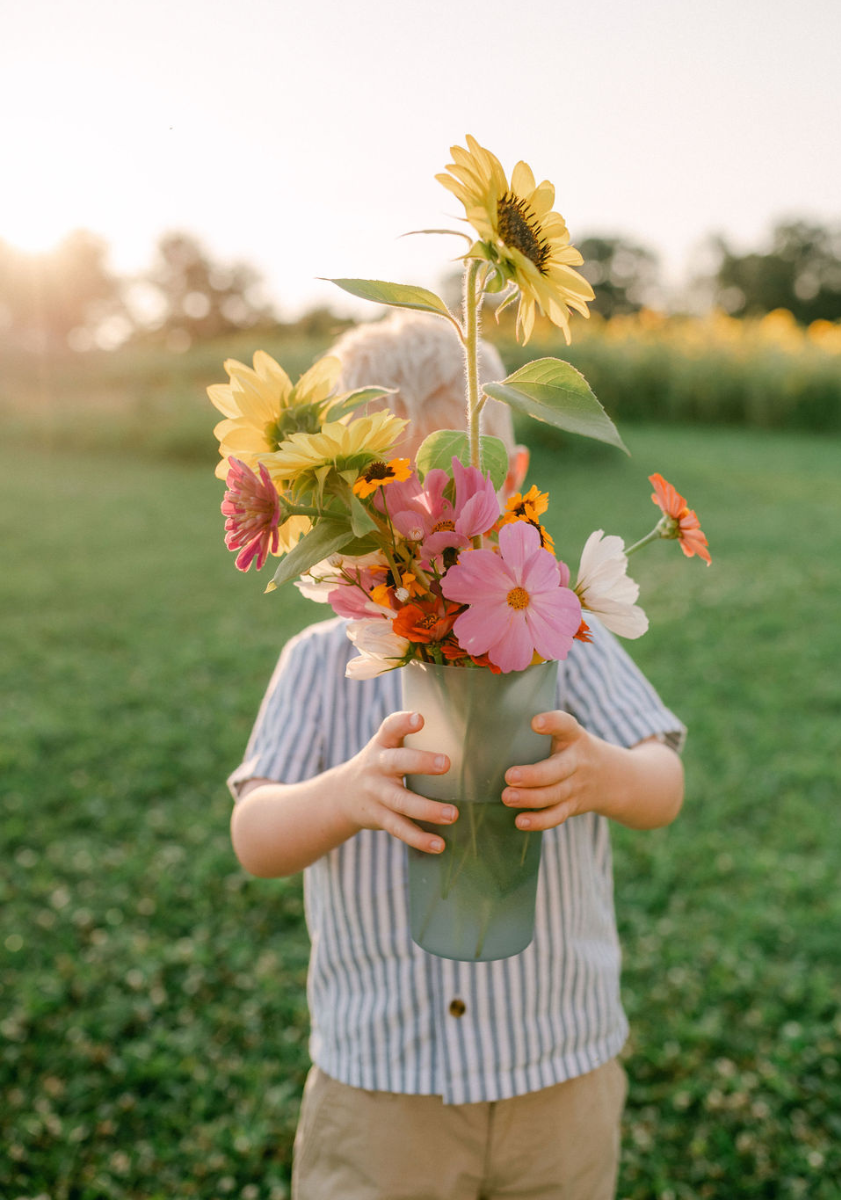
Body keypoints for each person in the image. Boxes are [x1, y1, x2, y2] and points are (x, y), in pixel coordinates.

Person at [227, 311, 686, 1200]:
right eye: (382, 493)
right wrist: (345, 792)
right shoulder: (323, 662)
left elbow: (662, 781)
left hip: (557, 1065)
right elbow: (255, 834)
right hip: (382, 1083)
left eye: (446, 485)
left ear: (508, 482)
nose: (420, 521)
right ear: (334, 508)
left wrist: (605, 773)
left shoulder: (564, 635)